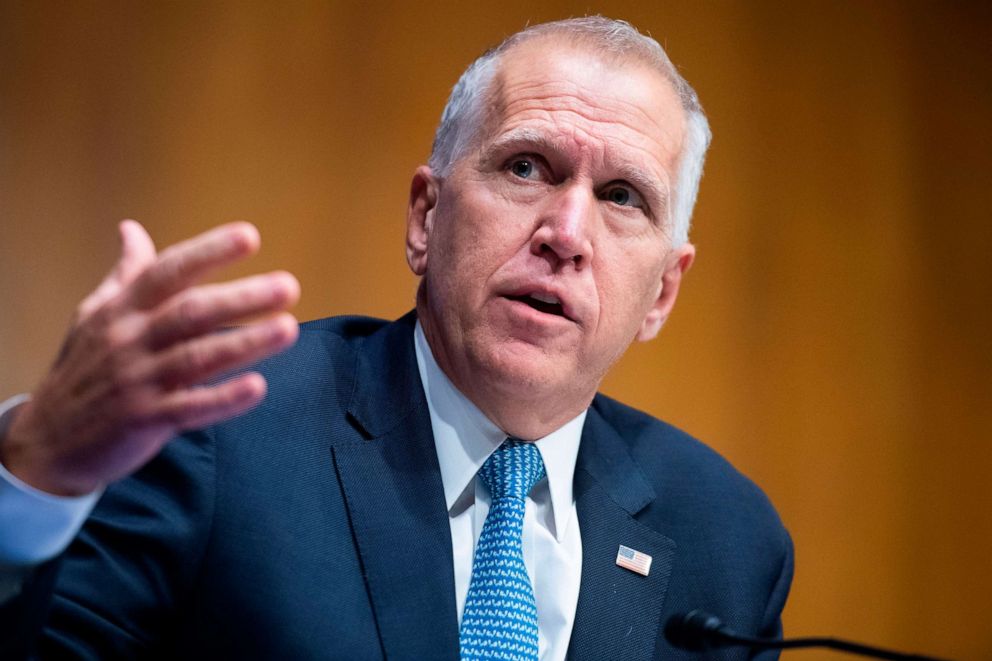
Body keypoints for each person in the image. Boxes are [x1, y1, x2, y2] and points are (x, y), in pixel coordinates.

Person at [0, 16, 792, 660]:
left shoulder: (725, 542)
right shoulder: (220, 432)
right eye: (526, 167)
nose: (567, 231)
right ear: (425, 217)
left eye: (622, 196)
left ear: (662, 291)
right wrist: (35, 478)